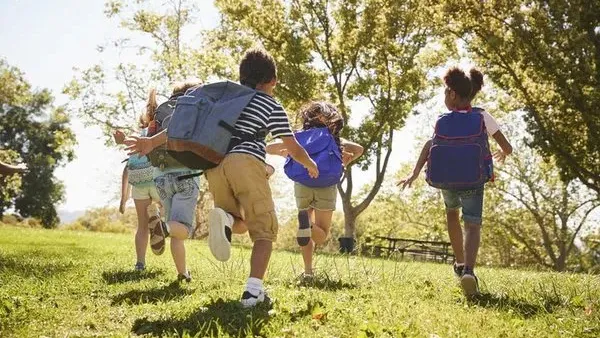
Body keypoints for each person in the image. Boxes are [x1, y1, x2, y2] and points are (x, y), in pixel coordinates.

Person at [399, 68, 513, 297]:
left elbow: (430, 145)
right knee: (472, 224)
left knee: (452, 213)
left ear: (452, 93)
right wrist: (503, 153)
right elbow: (506, 145)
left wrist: (414, 173)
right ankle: (469, 271)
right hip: (473, 178)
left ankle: (459, 263)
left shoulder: (442, 120)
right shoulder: (482, 116)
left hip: (447, 180)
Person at [266, 101, 363, 278]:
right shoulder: (334, 138)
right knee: (321, 234)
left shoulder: (298, 137)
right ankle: (308, 225)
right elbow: (359, 149)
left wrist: (287, 151)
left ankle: (308, 271)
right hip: (326, 184)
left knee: (306, 232)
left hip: (302, 183)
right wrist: (344, 160)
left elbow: (269, 147)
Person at [124, 81, 202, 282]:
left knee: (176, 225)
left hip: (161, 177)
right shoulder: (193, 110)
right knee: (182, 229)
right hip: (186, 176)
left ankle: (183, 274)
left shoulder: (162, 111)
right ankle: (163, 228)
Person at [113, 89, 162, 271]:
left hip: (139, 182)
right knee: (171, 208)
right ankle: (161, 221)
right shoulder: (161, 134)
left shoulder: (138, 134)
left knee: (142, 226)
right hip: (156, 180)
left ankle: (140, 263)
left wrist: (123, 199)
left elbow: (126, 170)